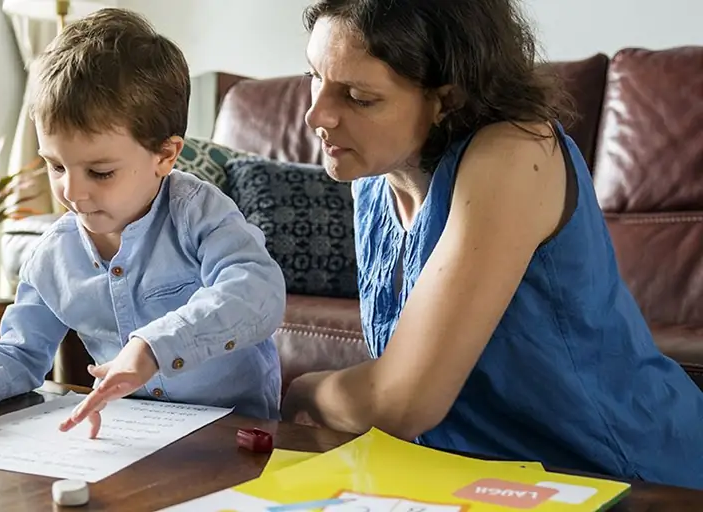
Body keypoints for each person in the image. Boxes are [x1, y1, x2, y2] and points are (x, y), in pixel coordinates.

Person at [281, 0, 703, 490]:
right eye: (314, 75)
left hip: (629, 475)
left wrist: (303, 391)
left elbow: (400, 401)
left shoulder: (517, 152)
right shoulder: (372, 180)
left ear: (448, 99)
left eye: (358, 96)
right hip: (486, 483)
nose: (317, 115)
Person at [0, 8, 285, 438]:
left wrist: (153, 348)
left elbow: (258, 292)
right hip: (133, 439)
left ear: (165, 155)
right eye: (55, 166)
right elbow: (22, 348)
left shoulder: (198, 211)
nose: (72, 192)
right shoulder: (53, 254)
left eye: (100, 172)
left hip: (236, 434)